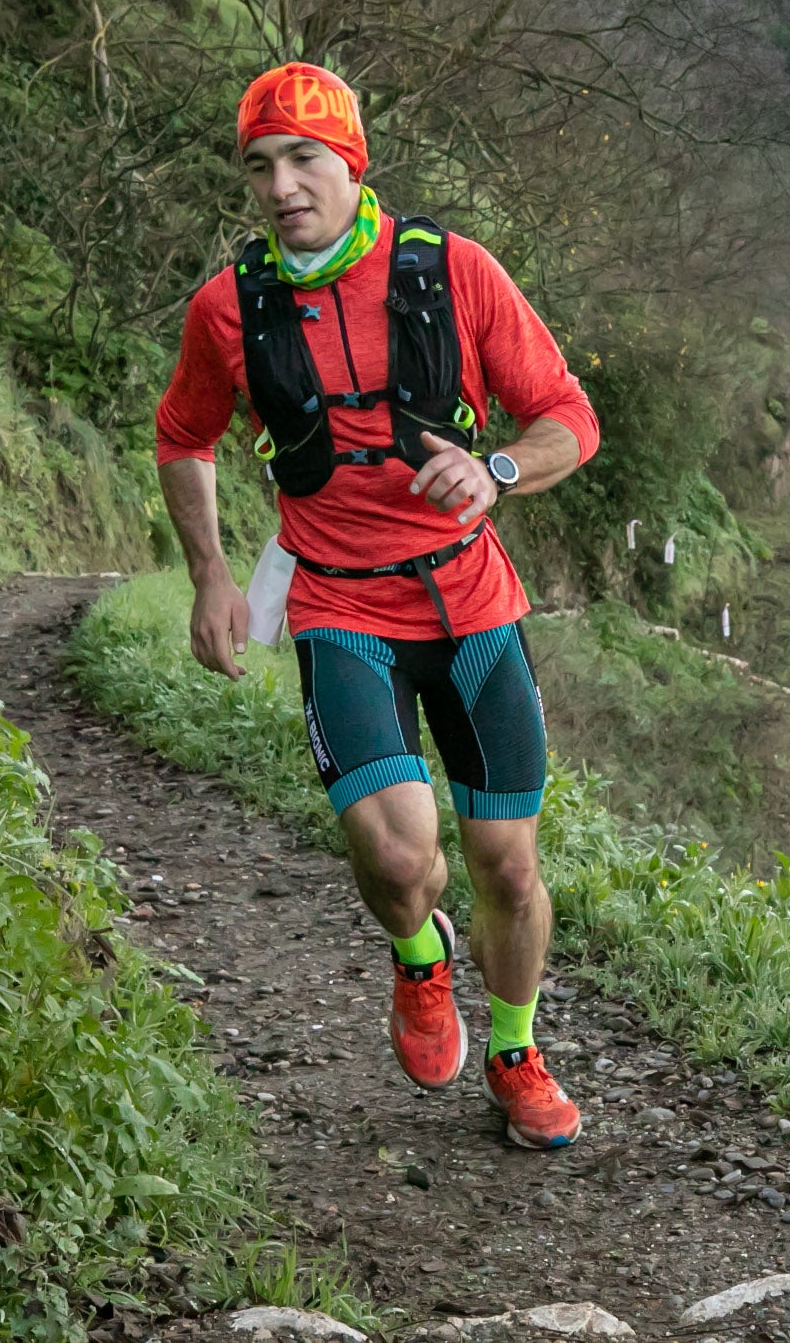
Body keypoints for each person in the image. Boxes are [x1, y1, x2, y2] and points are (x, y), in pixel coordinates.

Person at [154, 62, 597, 1150]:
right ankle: (417, 954)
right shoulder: (228, 307)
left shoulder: (451, 273)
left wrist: (494, 470)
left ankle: (515, 1046)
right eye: (259, 164)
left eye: (304, 158)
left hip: (472, 603)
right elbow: (184, 436)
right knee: (400, 859)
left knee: (506, 860)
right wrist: (211, 571)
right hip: (339, 605)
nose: (280, 183)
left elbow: (566, 418)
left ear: (353, 164)